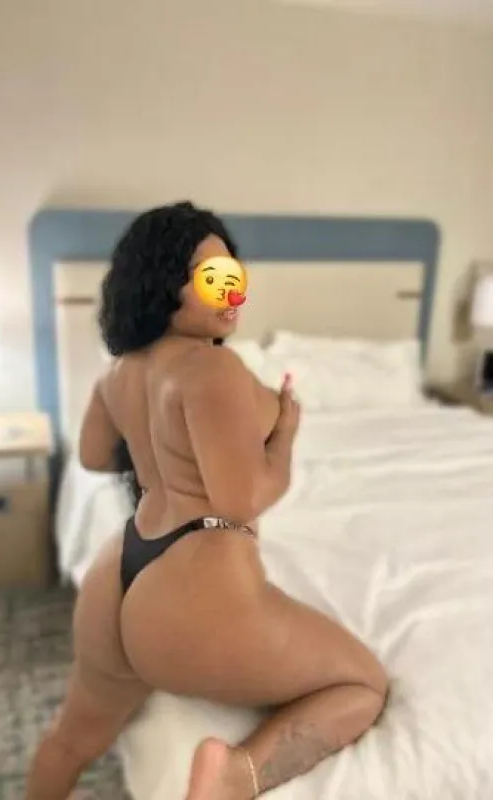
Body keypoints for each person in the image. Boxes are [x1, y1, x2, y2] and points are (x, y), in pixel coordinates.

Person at [25, 201, 389, 800]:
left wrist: (163, 461)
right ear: (165, 283)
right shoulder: (213, 369)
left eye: (234, 277)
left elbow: (92, 456)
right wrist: (283, 437)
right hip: (192, 595)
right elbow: (240, 501)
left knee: (69, 741)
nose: (231, 293)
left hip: (120, 571)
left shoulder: (119, 373)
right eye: (213, 278)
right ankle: (234, 775)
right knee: (364, 684)